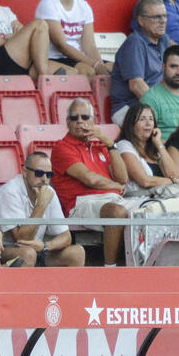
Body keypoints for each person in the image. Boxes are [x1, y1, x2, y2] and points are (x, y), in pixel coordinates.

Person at [51, 98, 129, 266]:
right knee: (116, 212)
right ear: (67, 123)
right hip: (80, 203)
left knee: (148, 211)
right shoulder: (62, 147)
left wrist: (110, 144)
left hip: (113, 199)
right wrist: (116, 186)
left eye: (85, 117)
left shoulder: (101, 146)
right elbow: (89, 179)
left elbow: (123, 178)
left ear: (93, 121)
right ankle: (110, 269)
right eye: (74, 118)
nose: (80, 121)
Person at [0, 152, 85, 267]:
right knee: (28, 254)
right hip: (1, 250)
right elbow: (22, 239)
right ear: (25, 172)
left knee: (77, 253)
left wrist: (45, 246)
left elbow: (66, 236)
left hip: (37, 250)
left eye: (49, 175)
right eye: (39, 173)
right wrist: (41, 205)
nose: (44, 179)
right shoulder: (11, 191)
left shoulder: (48, 191)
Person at [36, 0, 108, 76]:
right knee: (89, 72)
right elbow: (61, 45)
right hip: (56, 58)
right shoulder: (48, 4)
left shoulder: (84, 6)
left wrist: (100, 65)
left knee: (114, 68)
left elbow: (89, 46)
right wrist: (94, 65)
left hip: (79, 58)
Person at [110, 0, 171, 125]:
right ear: (141, 20)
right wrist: (163, 110)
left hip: (153, 106)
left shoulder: (164, 40)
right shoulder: (135, 42)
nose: (163, 21)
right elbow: (137, 86)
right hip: (130, 108)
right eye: (156, 17)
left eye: (165, 16)